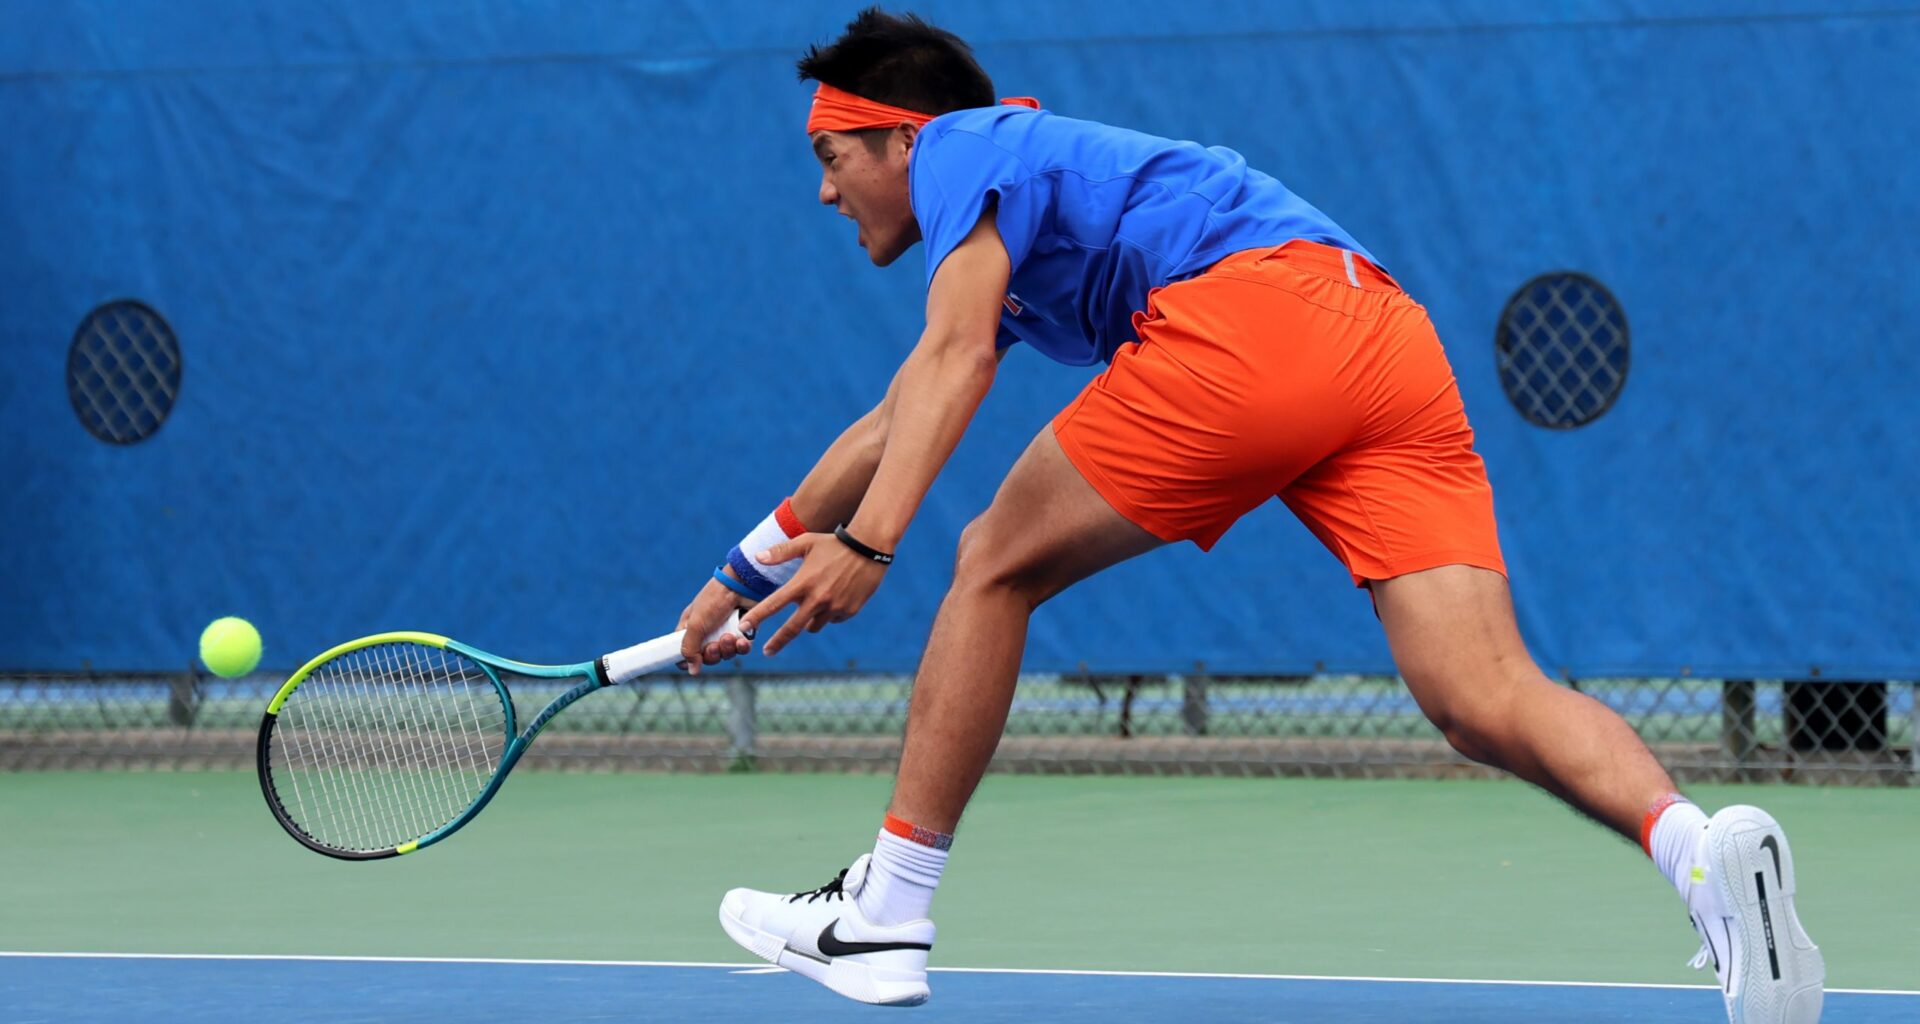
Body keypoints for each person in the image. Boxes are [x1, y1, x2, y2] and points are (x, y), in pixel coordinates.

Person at [674, 9, 1824, 1020]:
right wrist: (743, 569)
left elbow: (951, 355)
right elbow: (895, 413)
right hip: (1382, 338)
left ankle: (889, 910)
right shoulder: (1023, 219)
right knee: (1482, 695)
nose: (825, 189)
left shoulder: (969, 145)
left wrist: (872, 542)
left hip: (1256, 317)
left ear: (905, 137)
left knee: (992, 562)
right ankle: (1699, 855)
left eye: (833, 155)